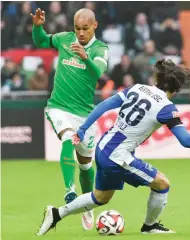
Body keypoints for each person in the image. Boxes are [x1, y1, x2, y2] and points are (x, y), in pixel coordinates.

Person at [36, 59, 190, 236]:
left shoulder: (137, 88)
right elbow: (186, 140)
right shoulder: (166, 108)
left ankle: (56, 213)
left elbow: (103, 106)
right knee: (162, 184)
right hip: (118, 156)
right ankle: (150, 226)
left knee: (101, 197)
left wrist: (83, 129)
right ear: (175, 90)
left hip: (104, 147)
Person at [30, 7, 108, 230]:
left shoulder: (100, 49)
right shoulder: (65, 39)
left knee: (86, 165)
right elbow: (42, 42)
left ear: (95, 26)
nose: (80, 33)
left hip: (85, 114)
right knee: (68, 139)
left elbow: (98, 74)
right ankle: (70, 191)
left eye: (85, 28)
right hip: (59, 107)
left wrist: (86, 58)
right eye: (77, 28)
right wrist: (38, 27)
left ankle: (87, 205)